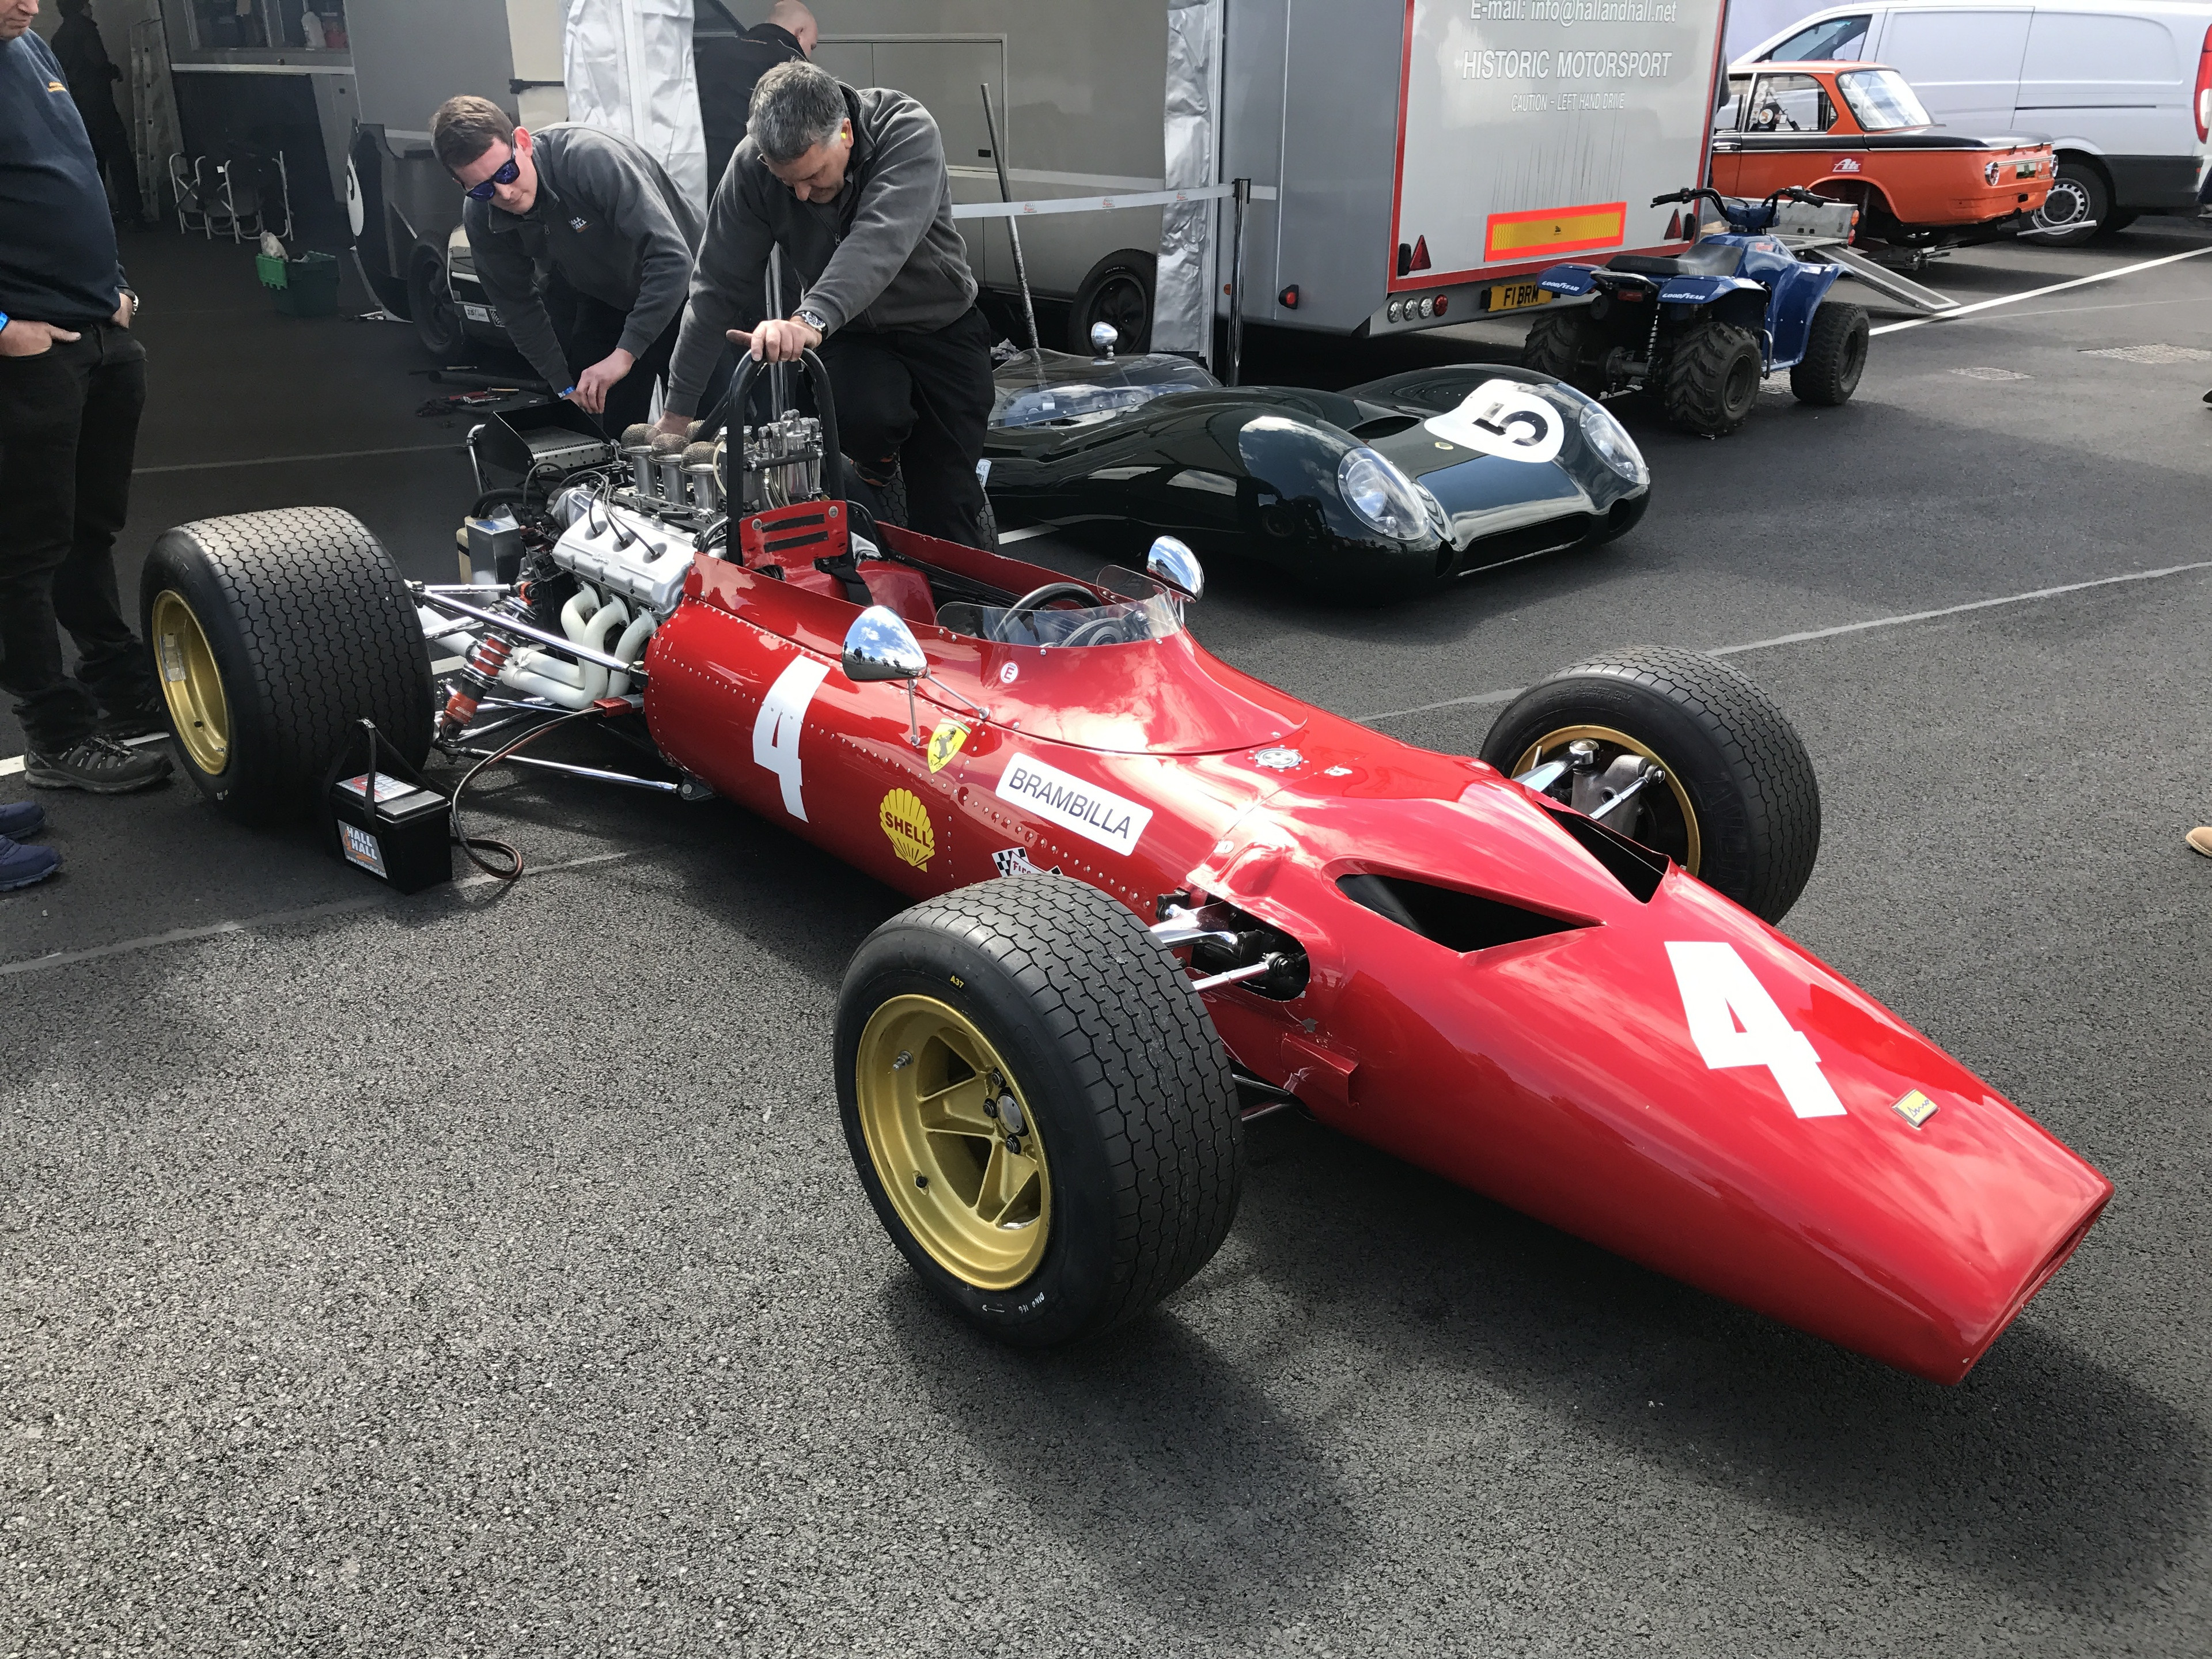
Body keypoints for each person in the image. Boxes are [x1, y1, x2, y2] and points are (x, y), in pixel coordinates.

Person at [659, 60, 996, 548]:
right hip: (851, 336)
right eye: (787, 182)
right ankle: (874, 466)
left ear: (845, 133)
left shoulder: (906, 130)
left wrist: (808, 319)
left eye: (814, 176)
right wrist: (676, 414)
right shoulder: (752, 166)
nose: (801, 194)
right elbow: (715, 286)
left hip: (941, 328)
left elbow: (877, 241)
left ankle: (951, 590)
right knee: (861, 420)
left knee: (946, 505)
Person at [0, 0, 171, 796]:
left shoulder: (31, 50)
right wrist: (3, 328)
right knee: (22, 552)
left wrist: (118, 288)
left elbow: (74, 176)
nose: (28, 3)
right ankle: (56, 733)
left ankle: (117, 680)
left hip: (100, 333)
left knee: (88, 531)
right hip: (28, 353)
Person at [432, 96, 709, 435]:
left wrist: (624, 355)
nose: (504, 193)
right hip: (606, 296)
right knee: (596, 425)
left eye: (506, 172)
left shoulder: (590, 159)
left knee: (710, 434)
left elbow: (672, 260)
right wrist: (563, 387)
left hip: (691, 291)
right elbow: (516, 306)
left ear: (522, 142)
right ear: (462, 185)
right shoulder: (479, 215)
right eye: (483, 189)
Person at [695, 1, 816, 188]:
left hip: (702, 176)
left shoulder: (712, 52)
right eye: (812, 46)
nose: (810, 54)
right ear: (799, 33)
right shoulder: (794, 66)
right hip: (759, 184)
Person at [51, 0, 141, 224]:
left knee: (93, 160)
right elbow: (98, 61)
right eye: (88, 4)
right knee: (119, 157)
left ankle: (97, 214)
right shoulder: (86, 29)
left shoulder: (58, 37)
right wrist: (114, 71)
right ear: (81, 7)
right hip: (99, 103)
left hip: (76, 105)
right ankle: (132, 213)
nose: (91, 8)